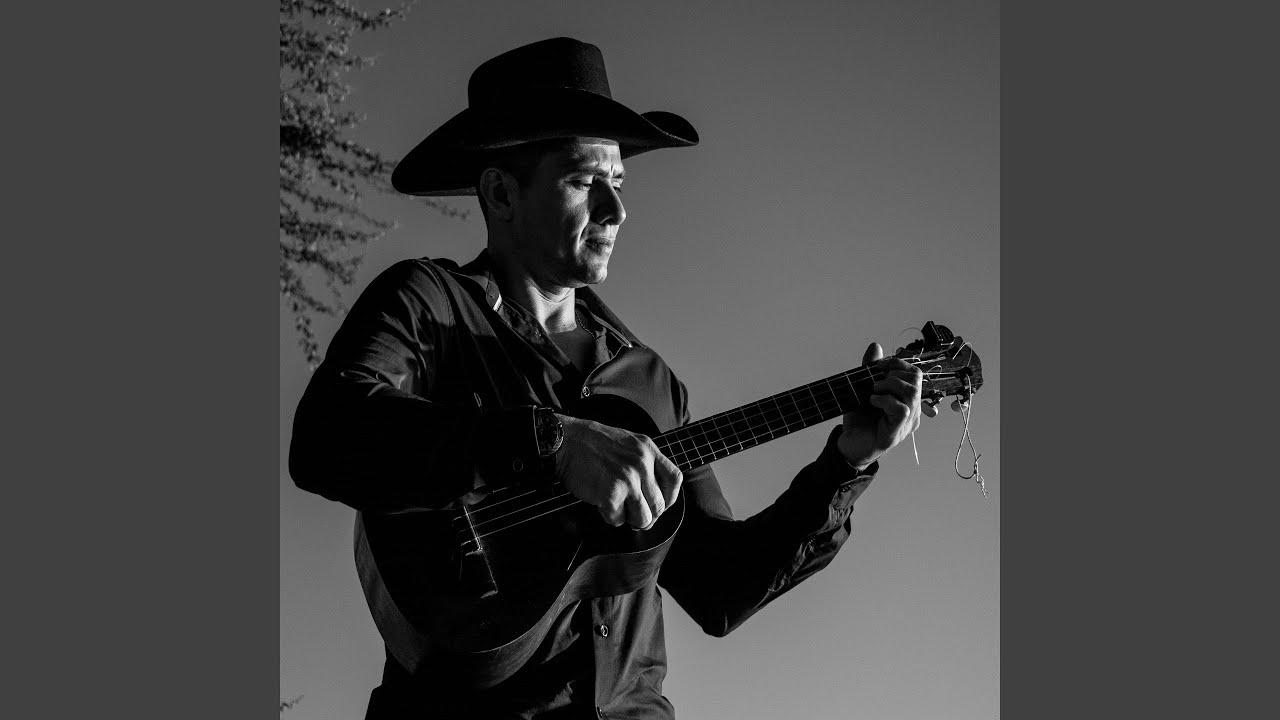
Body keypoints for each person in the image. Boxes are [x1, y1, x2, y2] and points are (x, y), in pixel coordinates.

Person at [289, 37, 923, 720]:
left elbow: (719, 589)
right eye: (584, 181)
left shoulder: (650, 381)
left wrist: (846, 463)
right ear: (501, 192)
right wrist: (549, 442)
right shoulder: (426, 303)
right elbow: (327, 433)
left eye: (618, 184)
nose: (615, 211)